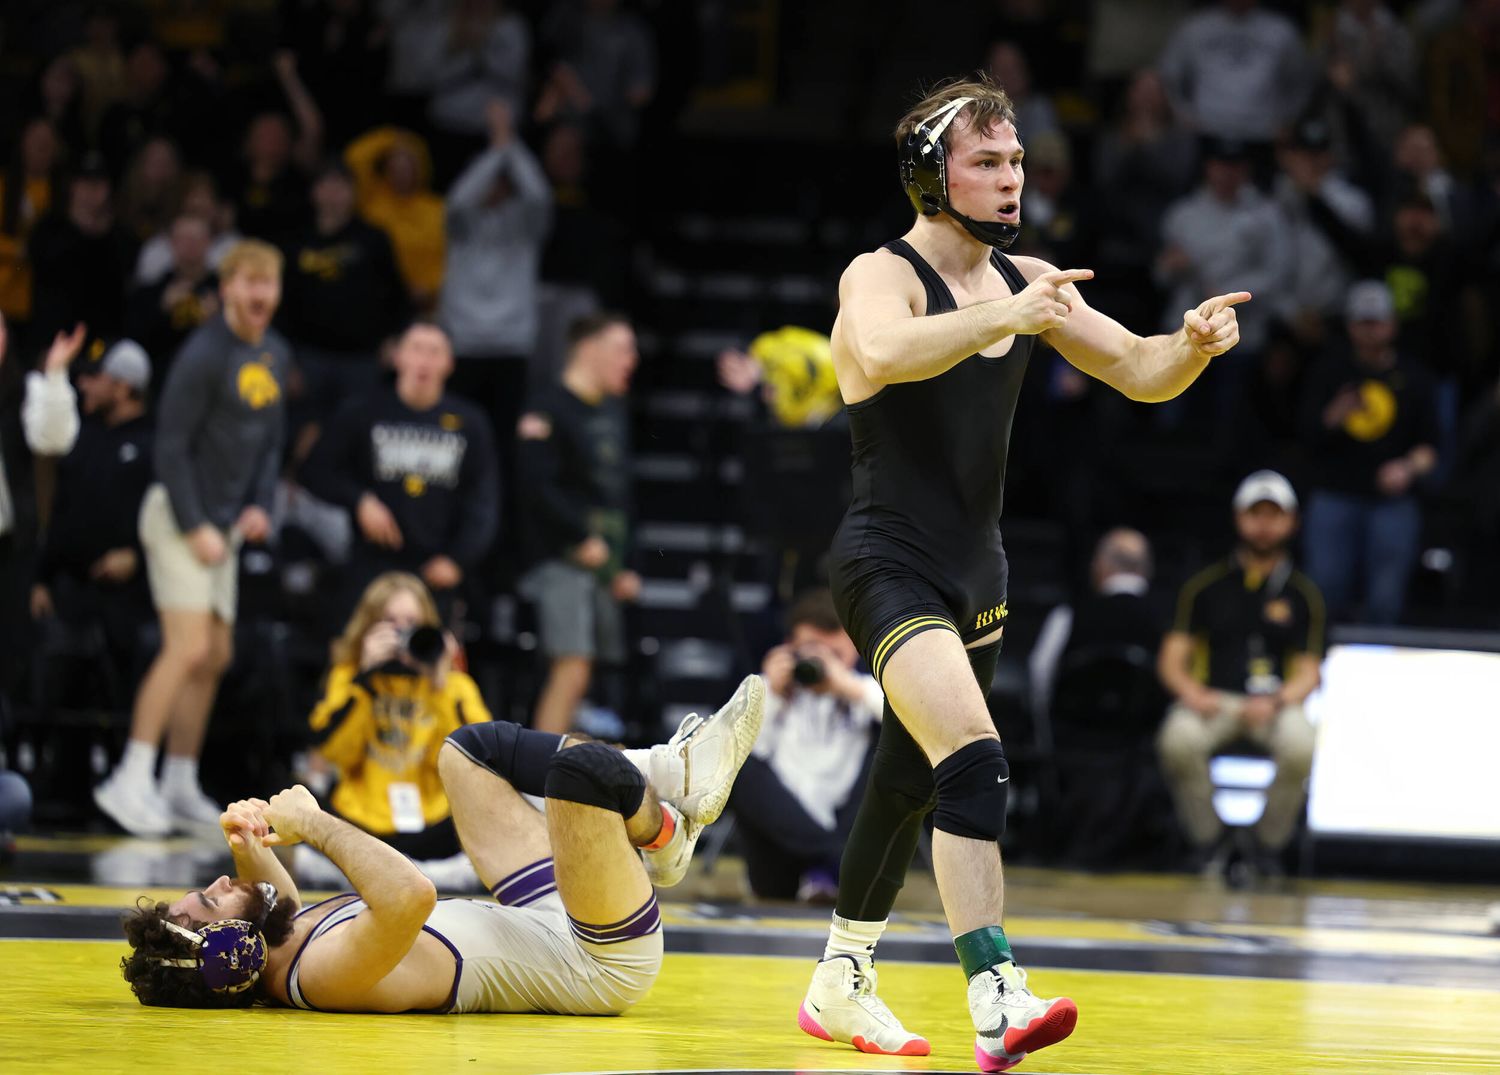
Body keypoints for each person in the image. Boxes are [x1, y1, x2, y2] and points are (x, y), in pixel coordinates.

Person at [798, 77, 1252, 1071]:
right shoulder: (884, 273)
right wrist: (1015, 312)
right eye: (990, 163)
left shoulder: (1029, 281)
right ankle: (996, 992)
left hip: (979, 569)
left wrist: (1194, 345)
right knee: (973, 758)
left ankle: (840, 974)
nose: (1014, 180)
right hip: (889, 558)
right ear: (934, 175)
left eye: (1017, 162)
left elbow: (1137, 368)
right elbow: (883, 349)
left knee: (912, 773)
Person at [117, 675, 767, 1012]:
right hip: (601, 957)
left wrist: (248, 843)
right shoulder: (323, 977)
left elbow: (279, 901)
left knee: (467, 752)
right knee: (580, 776)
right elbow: (409, 896)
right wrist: (314, 822)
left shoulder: (285, 951)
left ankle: (675, 787)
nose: (223, 881)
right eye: (213, 897)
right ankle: (658, 829)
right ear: (231, 950)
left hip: (545, 917)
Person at [92, 240, 289, 837]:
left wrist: (258, 505)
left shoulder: (275, 353)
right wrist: (197, 523)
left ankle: (178, 781)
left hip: (224, 526)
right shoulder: (203, 353)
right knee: (186, 648)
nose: (260, 293)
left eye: (269, 282)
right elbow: (171, 446)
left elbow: (269, 441)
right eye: (249, 281)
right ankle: (129, 778)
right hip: (180, 517)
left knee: (217, 654)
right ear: (226, 288)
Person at [1156, 471, 1324, 880]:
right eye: (1255, 513)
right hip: (1216, 699)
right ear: (1238, 518)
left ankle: (1265, 844)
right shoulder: (1204, 586)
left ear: (1292, 522)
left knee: (1302, 743)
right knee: (1177, 738)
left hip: (1274, 703)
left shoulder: (1304, 594)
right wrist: (1192, 693)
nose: (1264, 525)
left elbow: (1309, 671)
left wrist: (1279, 701)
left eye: (1274, 515)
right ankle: (1209, 839)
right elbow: (1171, 658)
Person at [302, 572, 494, 889]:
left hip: (433, 826)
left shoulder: (453, 685)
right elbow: (335, 753)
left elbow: (473, 764)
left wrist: (439, 683)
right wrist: (364, 680)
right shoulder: (349, 678)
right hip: (362, 821)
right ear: (368, 626)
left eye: (410, 621)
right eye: (390, 621)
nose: (402, 631)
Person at [302, 321, 498, 619]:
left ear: (449, 363)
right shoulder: (363, 411)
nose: (424, 360)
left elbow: (483, 500)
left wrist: (458, 560)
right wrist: (360, 500)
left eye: (435, 352)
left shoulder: (470, 422)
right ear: (398, 356)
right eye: (416, 349)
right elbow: (316, 471)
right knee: (358, 652)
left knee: (429, 660)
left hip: (435, 566)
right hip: (372, 563)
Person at [516, 312, 639, 736]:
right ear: (589, 349)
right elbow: (536, 488)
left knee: (590, 675)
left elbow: (620, 495)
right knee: (572, 666)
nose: (632, 359)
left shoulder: (613, 411)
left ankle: (571, 779)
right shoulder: (546, 407)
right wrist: (579, 537)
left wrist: (626, 564)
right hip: (559, 561)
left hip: (603, 565)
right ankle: (538, 779)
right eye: (623, 348)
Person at [1298, 280, 1440, 625]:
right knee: (1324, 590)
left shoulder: (1415, 378)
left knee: (1386, 598)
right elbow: (1303, 435)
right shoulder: (1329, 371)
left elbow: (1431, 447)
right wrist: (1334, 414)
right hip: (1335, 495)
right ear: (1349, 326)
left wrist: (1406, 468)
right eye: (1362, 322)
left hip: (1391, 502)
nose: (1369, 330)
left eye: (1376, 322)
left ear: (1392, 325)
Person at [730, 589, 882, 902]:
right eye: (812, 652)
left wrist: (847, 686)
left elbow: (915, 721)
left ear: (854, 649)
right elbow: (738, 752)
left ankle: (831, 866)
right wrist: (770, 692)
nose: (821, 663)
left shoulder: (868, 689)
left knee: (895, 760)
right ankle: (832, 863)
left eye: (834, 654)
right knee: (738, 766)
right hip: (780, 848)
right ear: (790, 647)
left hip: (845, 824)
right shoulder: (769, 686)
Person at [29, 340, 156, 669]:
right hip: (71, 595)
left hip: (129, 602)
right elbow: (62, 511)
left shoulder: (154, 446)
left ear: (123, 386)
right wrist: (41, 578)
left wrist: (137, 557)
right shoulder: (83, 436)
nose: (84, 384)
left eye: (95, 377)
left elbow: (170, 519)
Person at [438, 99, 551, 447]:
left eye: (503, 179)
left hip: (511, 344)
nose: (494, 186)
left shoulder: (526, 225)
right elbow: (459, 198)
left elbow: (539, 194)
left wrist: (508, 144)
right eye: (490, 177)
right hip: (464, 342)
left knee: (505, 439)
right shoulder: (461, 225)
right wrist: (497, 151)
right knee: (456, 436)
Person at [276, 159, 408, 429]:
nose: (334, 192)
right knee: (301, 432)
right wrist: (285, 361)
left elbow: (398, 296)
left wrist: (394, 339)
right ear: (314, 192)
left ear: (353, 193)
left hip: (361, 360)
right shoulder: (294, 242)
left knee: (358, 431)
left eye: (342, 185)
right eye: (327, 184)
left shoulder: (373, 239)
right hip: (307, 357)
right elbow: (280, 306)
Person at [1028, 528, 1165, 722]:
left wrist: (1045, 732)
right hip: (1143, 740)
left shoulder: (1068, 615)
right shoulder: (1169, 621)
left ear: (1101, 566)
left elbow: (1040, 671)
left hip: (1072, 734)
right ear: (1147, 569)